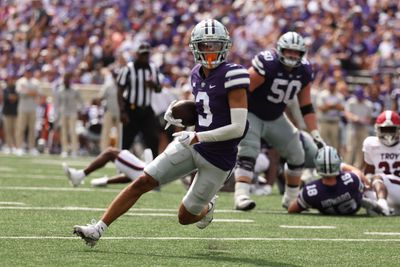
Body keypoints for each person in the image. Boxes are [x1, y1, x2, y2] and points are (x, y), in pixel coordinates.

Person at [72, 19, 249, 247]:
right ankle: (98, 229)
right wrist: (178, 110)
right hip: (193, 143)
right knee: (143, 181)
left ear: (225, 46)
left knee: (184, 217)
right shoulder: (196, 73)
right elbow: (207, 108)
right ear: (196, 47)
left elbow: (238, 127)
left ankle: (207, 208)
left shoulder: (234, 75)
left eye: (215, 45)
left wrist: (197, 136)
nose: (210, 50)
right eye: (205, 45)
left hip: (218, 156)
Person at [234, 31, 325, 211]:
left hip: (276, 116)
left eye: (296, 52)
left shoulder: (305, 70)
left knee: (296, 153)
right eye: (288, 51)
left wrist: (315, 133)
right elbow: (241, 90)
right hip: (252, 112)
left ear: (302, 54)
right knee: (249, 150)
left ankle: (291, 199)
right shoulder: (268, 63)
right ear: (279, 50)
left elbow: (306, 106)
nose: (292, 55)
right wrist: (235, 115)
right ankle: (241, 195)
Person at [288, 146, 368, 215]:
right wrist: (342, 166)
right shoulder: (352, 179)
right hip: (353, 209)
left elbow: (292, 209)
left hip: (327, 208)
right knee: (367, 187)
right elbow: (360, 174)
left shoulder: (310, 191)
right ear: (338, 164)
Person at [117, 42, 162, 157]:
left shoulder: (153, 68)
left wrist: (153, 84)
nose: (145, 57)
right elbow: (120, 91)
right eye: (142, 55)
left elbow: (158, 89)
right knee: (127, 141)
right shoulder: (128, 69)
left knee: (153, 138)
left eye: (147, 54)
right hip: (131, 109)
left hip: (146, 109)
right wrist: (122, 111)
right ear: (137, 54)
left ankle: (154, 168)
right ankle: (122, 167)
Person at [362, 110, 400, 215]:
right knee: (362, 189)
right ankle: (389, 209)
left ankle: (382, 204)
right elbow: (368, 171)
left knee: (378, 177)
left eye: (391, 129)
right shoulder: (371, 144)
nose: (388, 134)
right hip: (383, 189)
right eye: (384, 130)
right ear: (377, 129)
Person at [62, 148, 152, 187]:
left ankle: (79, 175)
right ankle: (79, 176)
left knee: (110, 153)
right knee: (112, 153)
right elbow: (131, 176)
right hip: (146, 170)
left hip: (145, 169)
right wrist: (105, 181)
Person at [54, 72, 84, 158]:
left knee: (73, 132)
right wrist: (56, 114)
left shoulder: (75, 89)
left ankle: (74, 150)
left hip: (72, 113)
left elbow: (81, 101)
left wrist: (81, 110)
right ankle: (65, 150)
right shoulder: (60, 90)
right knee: (64, 132)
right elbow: (57, 103)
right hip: (63, 113)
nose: (66, 81)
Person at [15, 65, 42, 156]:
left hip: (32, 108)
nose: (28, 73)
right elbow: (20, 93)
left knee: (32, 129)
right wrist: (31, 92)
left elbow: (38, 93)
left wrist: (27, 92)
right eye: (27, 71)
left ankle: (31, 147)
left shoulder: (35, 82)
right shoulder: (20, 81)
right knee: (21, 128)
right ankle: (19, 147)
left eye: (30, 71)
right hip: (22, 108)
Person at [1, 75, 19, 154]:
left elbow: (18, 98)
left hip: (15, 113)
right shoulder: (5, 89)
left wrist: (12, 97)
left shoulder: (16, 89)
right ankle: (9, 146)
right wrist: (11, 97)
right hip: (7, 112)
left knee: (15, 131)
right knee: (8, 130)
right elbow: (5, 98)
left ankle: (16, 146)